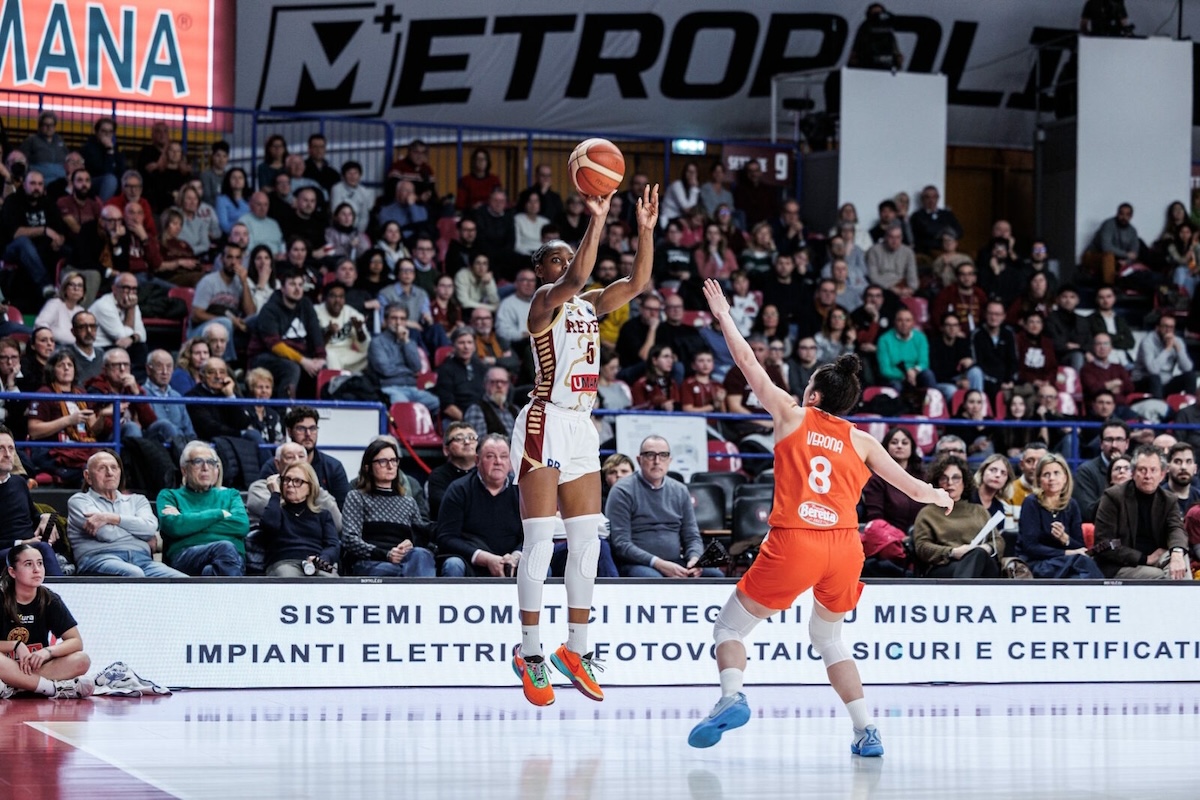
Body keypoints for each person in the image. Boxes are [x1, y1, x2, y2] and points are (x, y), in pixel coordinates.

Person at [688, 278, 951, 754]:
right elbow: (910, 487)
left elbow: (747, 363)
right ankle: (865, 729)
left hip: (796, 540)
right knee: (829, 639)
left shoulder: (791, 414)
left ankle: (731, 696)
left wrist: (725, 315)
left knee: (729, 629)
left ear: (812, 396)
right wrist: (939, 494)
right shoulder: (864, 439)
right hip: (846, 547)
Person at [507, 184, 658, 708]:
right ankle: (529, 652)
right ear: (540, 272)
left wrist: (643, 229)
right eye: (556, 258)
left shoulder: (591, 305)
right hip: (543, 421)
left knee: (587, 542)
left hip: (581, 426)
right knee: (541, 543)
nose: (566, 262)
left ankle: (576, 649)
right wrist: (596, 218)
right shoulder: (543, 305)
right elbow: (577, 277)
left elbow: (638, 281)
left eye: (568, 254)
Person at [606, 436, 722, 579]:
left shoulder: (680, 490)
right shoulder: (621, 490)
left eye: (663, 455)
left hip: (676, 562)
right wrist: (658, 563)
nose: (657, 461)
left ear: (670, 460)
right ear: (639, 460)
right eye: (650, 455)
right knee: (653, 579)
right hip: (637, 564)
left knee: (715, 575)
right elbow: (621, 544)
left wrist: (694, 559)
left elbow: (692, 536)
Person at [66, 450, 184, 578]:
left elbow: (150, 529)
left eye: (114, 468)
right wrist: (138, 533)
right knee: (134, 574)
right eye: (102, 468)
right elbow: (106, 533)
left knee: (185, 582)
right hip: (99, 558)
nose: (110, 473)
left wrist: (110, 518)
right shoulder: (79, 501)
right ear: (88, 476)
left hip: (143, 561)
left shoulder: (138, 500)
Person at [0, 544, 94, 699]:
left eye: (40, 563)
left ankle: (16, 685)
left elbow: (76, 641)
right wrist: (15, 645)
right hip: (6, 665)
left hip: (34, 669)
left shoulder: (49, 599)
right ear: (12, 572)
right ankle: (49, 688)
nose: (37, 569)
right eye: (28, 564)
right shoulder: (2, 598)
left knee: (82, 660)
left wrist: (47, 652)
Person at [340, 440, 436, 578]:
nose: (390, 466)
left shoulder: (408, 502)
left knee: (421, 554)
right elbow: (350, 540)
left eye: (394, 460)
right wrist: (386, 554)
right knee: (398, 572)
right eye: (383, 461)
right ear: (368, 467)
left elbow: (421, 536)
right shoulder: (357, 497)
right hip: (370, 562)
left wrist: (411, 543)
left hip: (404, 561)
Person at [1092, 446, 1191, 580]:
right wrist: (1144, 558)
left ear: (1162, 474)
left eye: (1153, 470)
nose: (1148, 476)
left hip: (1156, 558)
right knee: (1159, 576)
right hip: (1120, 565)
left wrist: (1177, 553)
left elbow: (1176, 529)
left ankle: (1184, 601)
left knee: (1180, 561)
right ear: (1133, 473)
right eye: (1142, 470)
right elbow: (1105, 543)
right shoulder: (1113, 497)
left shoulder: (1168, 500)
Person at [157, 441, 249, 576]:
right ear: (184, 470)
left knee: (211, 571)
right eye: (198, 461)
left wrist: (187, 522)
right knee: (224, 547)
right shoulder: (169, 495)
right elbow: (173, 527)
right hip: (186, 556)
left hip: (232, 559)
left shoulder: (231, 495)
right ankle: (236, 596)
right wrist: (219, 513)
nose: (205, 467)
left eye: (211, 462)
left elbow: (241, 525)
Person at [436, 433, 523, 577]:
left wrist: (515, 557)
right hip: (471, 560)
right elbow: (446, 538)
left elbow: (529, 536)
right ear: (477, 460)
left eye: (504, 456)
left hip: (511, 563)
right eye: (490, 456)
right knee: (453, 564)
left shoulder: (521, 491)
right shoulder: (459, 489)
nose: (498, 462)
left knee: (539, 568)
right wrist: (486, 559)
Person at [1016, 453, 1104, 579]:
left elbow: (1080, 547)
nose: (1051, 478)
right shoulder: (1031, 503)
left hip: (1067, 564)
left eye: (1056, 473)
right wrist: (1067, 552)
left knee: (1078, 578)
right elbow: (1030, 547)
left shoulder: (1071, 505)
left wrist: (1065, 539)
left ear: (1065, 478)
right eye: (1046, 474)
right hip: (1036, 565)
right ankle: (1105, 593)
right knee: (1082, 563)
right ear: (1039, 480)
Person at [912, 456, 1001, 578]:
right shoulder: (927, 513)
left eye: (956, 478)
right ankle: (962, 592)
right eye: (944, 478)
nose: (950, 483)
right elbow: (922, 547)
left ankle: (960, 592)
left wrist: (985, 548)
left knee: (978, 555)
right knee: (973, 560)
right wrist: (952, 552)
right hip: (946, 565)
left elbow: (998, 541)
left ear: (964, 482)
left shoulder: (979, 511)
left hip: (983, 562)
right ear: (937, 482)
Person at [247, 269, 327, 398]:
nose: (297, 289)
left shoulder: (306, 304)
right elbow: (275, 346)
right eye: (292, 284)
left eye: (300, 285)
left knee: (321, 368)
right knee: (291, 368)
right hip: (264, 356)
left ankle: (316, 412)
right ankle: (285, 411)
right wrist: (303, 361)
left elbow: (315, 332)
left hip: (297, 355)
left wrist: (321, 358)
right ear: (282, 288)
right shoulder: (270, 309)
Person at [258, 461, 340, 578]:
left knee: (332, 582)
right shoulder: (276, 511)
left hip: (315, 564)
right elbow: (269, 525)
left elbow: (333, 545)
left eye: (297, 481)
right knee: (291, 581)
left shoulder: (323, 515)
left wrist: (322, 559)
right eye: (286, 480)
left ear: (310, 487)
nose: (290, 484)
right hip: (284, 563)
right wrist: (275, 494)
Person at [861, 428, 927, 535]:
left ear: (912, 448)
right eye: (894, 442)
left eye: (904, 443)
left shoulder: (923, 476)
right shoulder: (876, 479)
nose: (899, 446)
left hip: (921, 537)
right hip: (888, 538)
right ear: (886, 447)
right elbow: (875, 518)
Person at [426, 422, 478, 520]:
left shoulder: (484, 474)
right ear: (446, 450)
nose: (467, 442)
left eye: (472, 437)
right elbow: (445, 505)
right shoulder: (438, 476)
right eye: (459, 439)